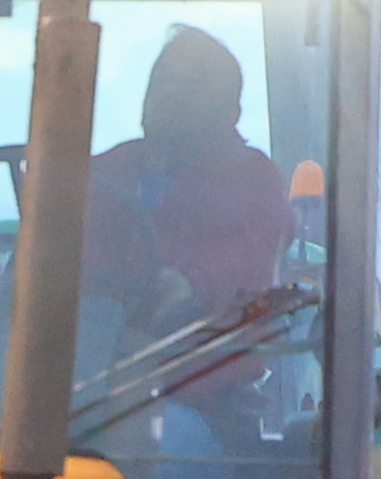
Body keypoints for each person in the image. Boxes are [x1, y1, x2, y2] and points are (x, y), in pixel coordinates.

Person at [88, 26, 289, 328]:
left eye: (194, 84)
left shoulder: (252, 179)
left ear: (231, 112)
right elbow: (63, 252)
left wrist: (190, 283)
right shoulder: (105, 170)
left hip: (199, 353)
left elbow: (249, 255)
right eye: (163, 79)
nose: (170, 92)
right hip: (94, 347)